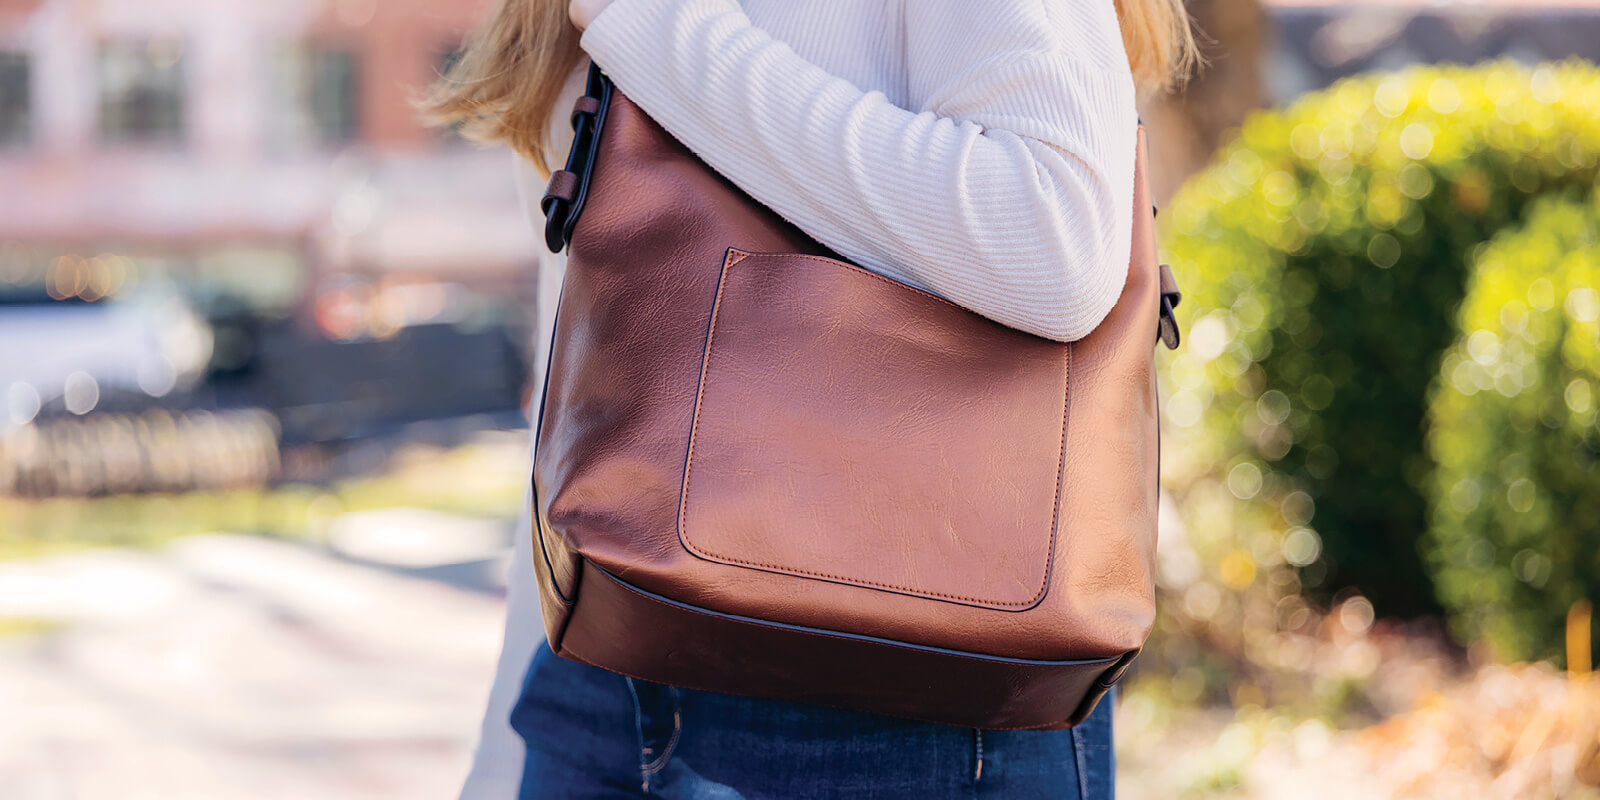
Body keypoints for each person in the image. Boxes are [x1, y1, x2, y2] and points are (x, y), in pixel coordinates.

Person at [426, 0, 1196, 796]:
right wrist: (499, 760)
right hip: (598, 666)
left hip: (900, 681)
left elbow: (1054, 241)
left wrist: (658, 28)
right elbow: (583, 377)